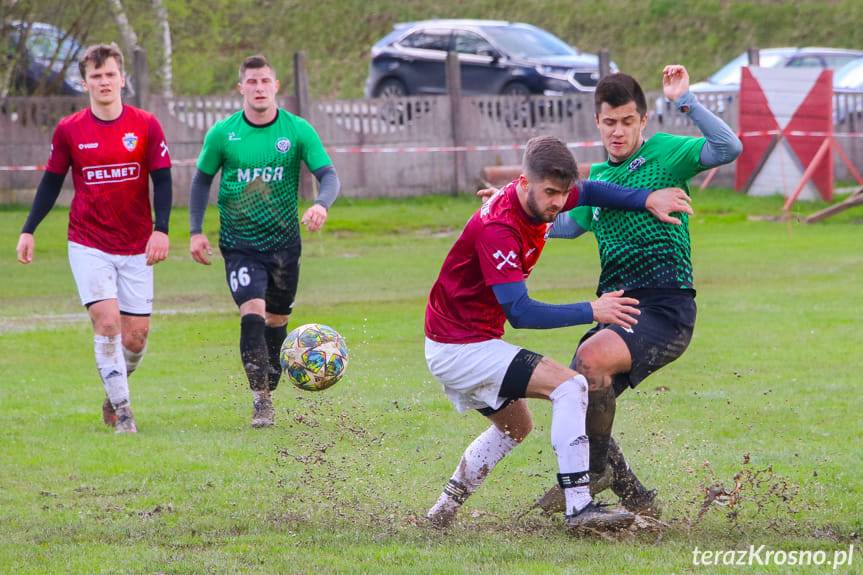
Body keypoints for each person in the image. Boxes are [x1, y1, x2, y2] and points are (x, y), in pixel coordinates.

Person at [424, 135, 693, 531]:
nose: (557, 203)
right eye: (549, 193)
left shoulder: (548, 195)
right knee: (570, 387)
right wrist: (593, 310)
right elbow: (520, 311)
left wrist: (646, 199)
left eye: (562, 194)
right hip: (460, 347)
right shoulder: (498, 228)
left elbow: (593, 190)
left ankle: (440, 514)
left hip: (462, 341)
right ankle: (579, 507)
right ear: (523, 181)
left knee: (517, 427)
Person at [531, 65, 743, 517]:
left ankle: (590, 476)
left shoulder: (665, 155)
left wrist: (685, 101)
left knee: (590, 361)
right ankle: (636, 498)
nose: (619, 132)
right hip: (619, 311)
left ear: (643, 121)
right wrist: (519, 209)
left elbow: (729, 147)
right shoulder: (595, 182)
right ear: (598, 123)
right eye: (610, 123)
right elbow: (564, 225)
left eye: (628, 122)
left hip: (666, 308)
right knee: (577, 391)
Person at [15, 43, 173, 434]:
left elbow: (164, 179)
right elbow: (51, 181)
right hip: (88, 242)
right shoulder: (70, 129)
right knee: (106, 323)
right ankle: (124, 412)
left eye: (110, 75)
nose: (104, 82)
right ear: (84, 82)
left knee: (136, 339)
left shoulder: (146, 125)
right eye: (96, 76)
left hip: (136, 244)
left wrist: (162, 229)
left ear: (123, 79)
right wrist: (28, 229)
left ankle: (114, 389)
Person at [188, 54, 340, 428]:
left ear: (276, 86)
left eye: (265, 81)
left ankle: (269, 384)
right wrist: (195, 230)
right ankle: (260, 400)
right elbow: (200, 181)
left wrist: (321, 204)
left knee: (277, 319)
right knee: (252, 311)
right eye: (251, 82)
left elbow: (329, 175)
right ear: (241, 87)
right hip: (240, 243)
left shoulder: (297, 130)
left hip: (285, 244)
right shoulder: (224, 134)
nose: (258, 88)